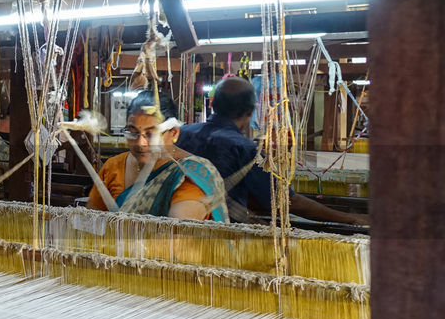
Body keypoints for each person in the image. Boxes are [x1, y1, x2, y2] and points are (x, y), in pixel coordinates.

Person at [178, 77, 366, 226]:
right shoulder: (243, 148)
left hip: (173, 225)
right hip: (217, 236)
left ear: (212, 104)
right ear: (252, 111)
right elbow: (285, 201)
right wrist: (350, 218)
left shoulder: (180, 134)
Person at [87, 92, 226, 221]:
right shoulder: (113, 167)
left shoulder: (189, 175)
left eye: (151, 134)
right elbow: (90, 221)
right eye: (132, 132)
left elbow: (177, 233)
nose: (140, 143)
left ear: (174, 133)